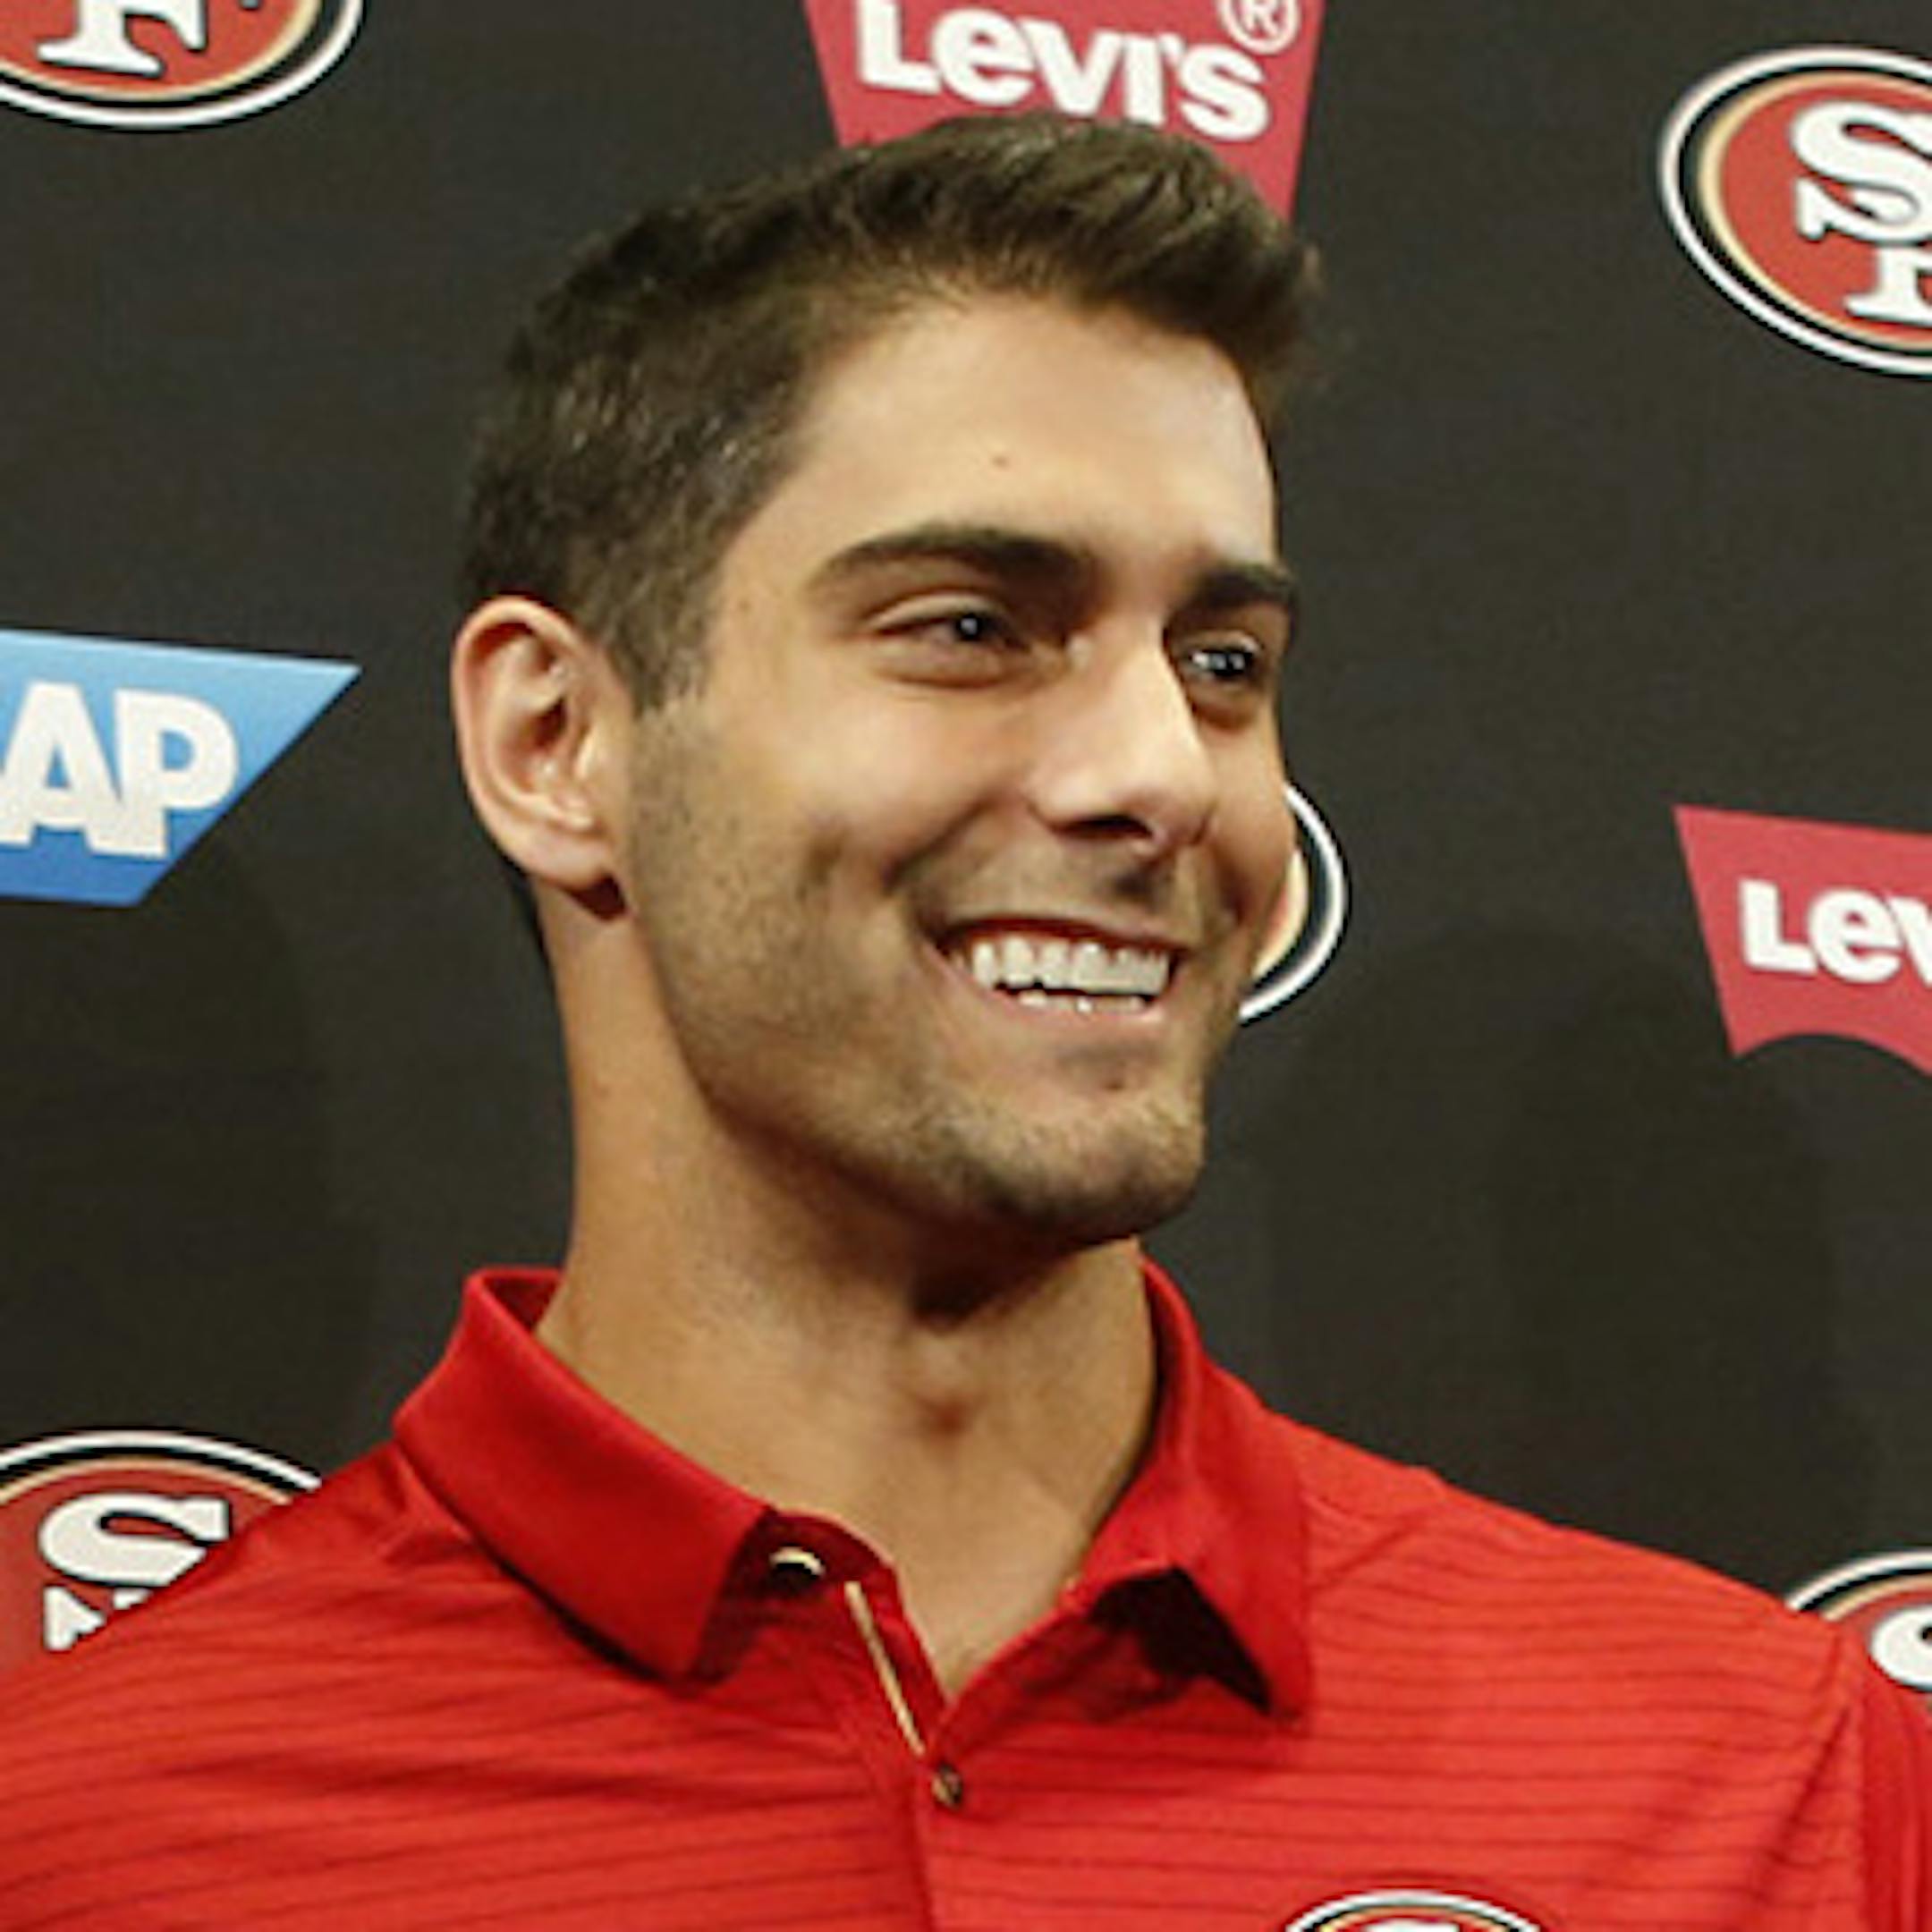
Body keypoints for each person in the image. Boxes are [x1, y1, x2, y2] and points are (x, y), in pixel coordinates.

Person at [0, 114, 1926, 1930]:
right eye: (972, 629)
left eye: (1224, 662)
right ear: (555, 742)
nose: (1160, 774)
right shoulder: (103, 1842)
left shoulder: (1773, 1785)